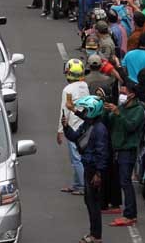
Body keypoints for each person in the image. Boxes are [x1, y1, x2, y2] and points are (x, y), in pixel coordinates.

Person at [63, 95, 110, 243]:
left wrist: (98, 173)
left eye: (86, 110)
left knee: (93, 203)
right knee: (89, 201)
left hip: (94, 170)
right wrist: (66, 127)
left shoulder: (99, 129)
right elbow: (74, 136)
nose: (84, 112)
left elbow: (102, 153)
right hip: (88, 167)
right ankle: (93, 233)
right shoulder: (88, 124)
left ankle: (96, 236)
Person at [104, 85, 145, 227]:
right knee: (122, 181)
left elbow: (131, 127)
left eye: (123, 92)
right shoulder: (121, 107)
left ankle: (130, 215)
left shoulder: (138, 110)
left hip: (128, 150)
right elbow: (110, 123)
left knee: (126, 182)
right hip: (117, 149)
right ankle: (127, 212)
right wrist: (106, 111)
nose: (121, 95)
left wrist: (118, 114)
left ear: (132, 95)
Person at [58, 59, 90, 195]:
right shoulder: (85, 86)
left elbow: (64, 110)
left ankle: (82, 186)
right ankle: (77, 184)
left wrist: (60, 130)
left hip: (72, 127)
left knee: (76, 159)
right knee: (78, 157)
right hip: (83, 126)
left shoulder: (68, 90)